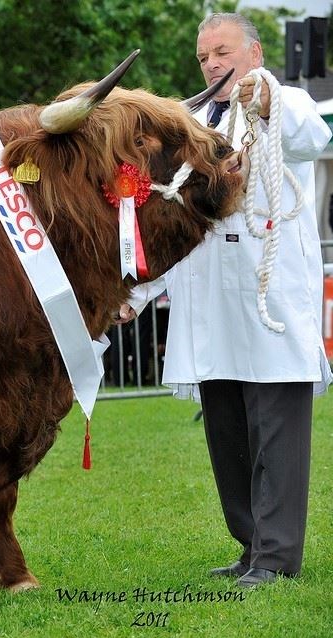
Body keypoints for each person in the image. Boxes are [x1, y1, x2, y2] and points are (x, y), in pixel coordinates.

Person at [124, 13, 331, 588]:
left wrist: (264, 102)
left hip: (268, 302)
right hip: (210, 302)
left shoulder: (283, 100)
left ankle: (277, 555)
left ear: (255, 52)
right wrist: (135, 294)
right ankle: (249, 545)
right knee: (227, 432)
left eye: (222, 52)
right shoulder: (188, 124)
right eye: (203, 57)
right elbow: (166, 216)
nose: (212, 64)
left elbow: (315, 137)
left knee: (276, 431)